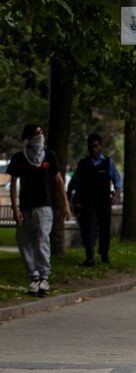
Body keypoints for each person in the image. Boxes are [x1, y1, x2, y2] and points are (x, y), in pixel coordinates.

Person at [7, 124, 69, 295]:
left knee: (42, 240)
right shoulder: (19, 158)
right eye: (37, 134)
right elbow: (13, 184)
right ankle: (33, 277)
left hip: (43, 206)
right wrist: (15, 208)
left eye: (42, 133)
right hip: (25, 207)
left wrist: (65, 204)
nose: (40, 137)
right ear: (29, 137)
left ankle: (44, 277)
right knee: (23, 241)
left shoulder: (49, 156)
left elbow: (58, 180)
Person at [68, 134, 123, 266]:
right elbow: (75, 181)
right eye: (91, 147)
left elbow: (117, 180)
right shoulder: (83, 163)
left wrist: (116, 195)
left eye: (96, 146)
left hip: (103, 201)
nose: (93, 149)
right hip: (88, 201)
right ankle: (90, 257)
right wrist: (70, 197)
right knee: (89, 228)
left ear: (100, 146)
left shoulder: (108, 162)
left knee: (105, 229)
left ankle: (104, 255)